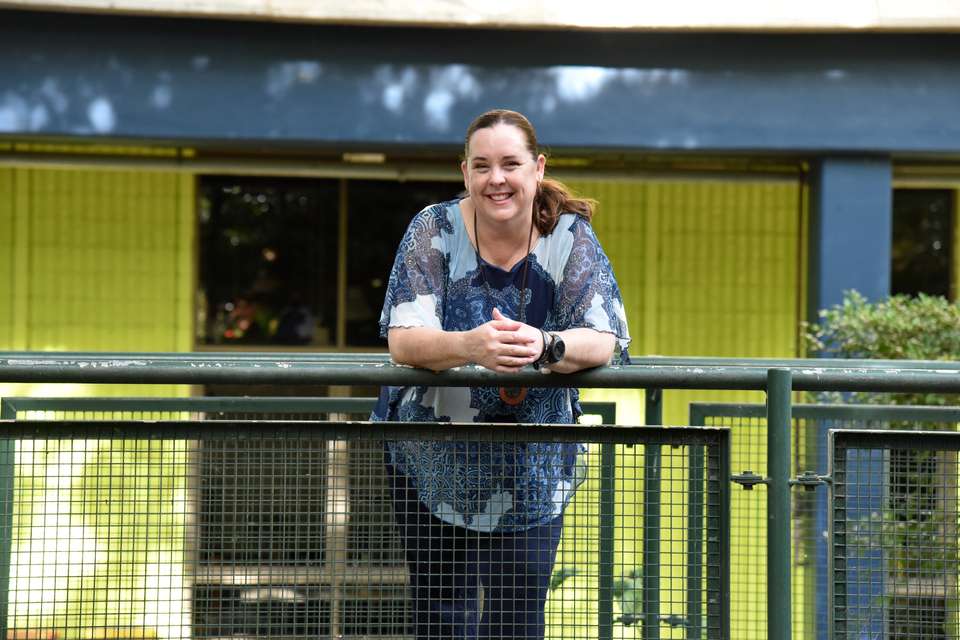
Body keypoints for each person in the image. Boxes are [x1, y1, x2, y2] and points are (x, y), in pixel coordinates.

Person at [371, 108, 631, 639]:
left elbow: (604, 338)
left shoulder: (569, 236)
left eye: (510, 164)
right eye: (482, 165)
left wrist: (545, 343)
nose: (497, 179)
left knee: (517, 616)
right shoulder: (432, 229)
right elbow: (403, 339)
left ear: (537, 168)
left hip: (530, 460)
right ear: (464, 171)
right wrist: (470, 345)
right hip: (432, 454)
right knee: (443, 615)